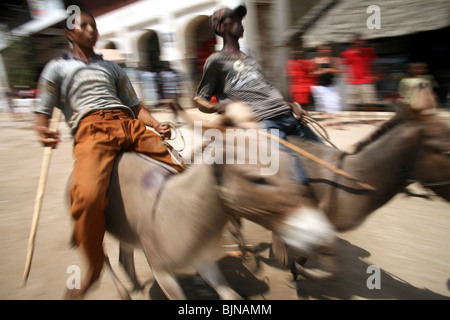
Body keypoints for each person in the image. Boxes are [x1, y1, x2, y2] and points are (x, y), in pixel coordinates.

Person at [34, 8, 184, 298]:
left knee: (180, 167)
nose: (92, 31)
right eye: (85, 26)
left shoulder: (113, 69)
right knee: (88, 197)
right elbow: (42, 113)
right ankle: (93, 266)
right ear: (69, 33)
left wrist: (156, 125)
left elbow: (135, 104)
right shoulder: (56, 68)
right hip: (92, 132)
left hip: (128, 124)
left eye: (94, 26)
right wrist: (42, 131)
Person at [194, 5, 321, 173]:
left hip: (287, 115)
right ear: (220, 27)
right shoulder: (216, 61)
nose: (239, 22)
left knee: (326, 157)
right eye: (233, 19)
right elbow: (200, 100)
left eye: (240, 19)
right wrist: (221, 106)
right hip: (266, 121)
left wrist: (290, 104)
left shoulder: (249, 58)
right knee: (293, 174)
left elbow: (264, 88)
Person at [340, 34, 379, 123]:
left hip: (366, 81)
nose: (359, 42)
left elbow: (375, 62)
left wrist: (375, 74)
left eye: (361, 40)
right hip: (353, 82)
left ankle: (372, 119)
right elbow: (344, 65)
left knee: (370, 102)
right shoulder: (347, 53)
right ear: (352, 42)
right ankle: (355, 120)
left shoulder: (369, 51)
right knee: (353, 103)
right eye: (357, 40)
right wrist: (346, 76)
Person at [310, 44, 344, 129]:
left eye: (327, 49)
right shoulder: (314, 60)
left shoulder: (334, 60)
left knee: (334, 105)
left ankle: (338, 124)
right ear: (319, 50)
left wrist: (327, 70)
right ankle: (324, 123)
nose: (325, 51)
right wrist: (320, 72)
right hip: (319, 85)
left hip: (331, 85)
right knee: (321, 106)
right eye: (323, 49)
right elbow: (311, 72)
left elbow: (339, 71)